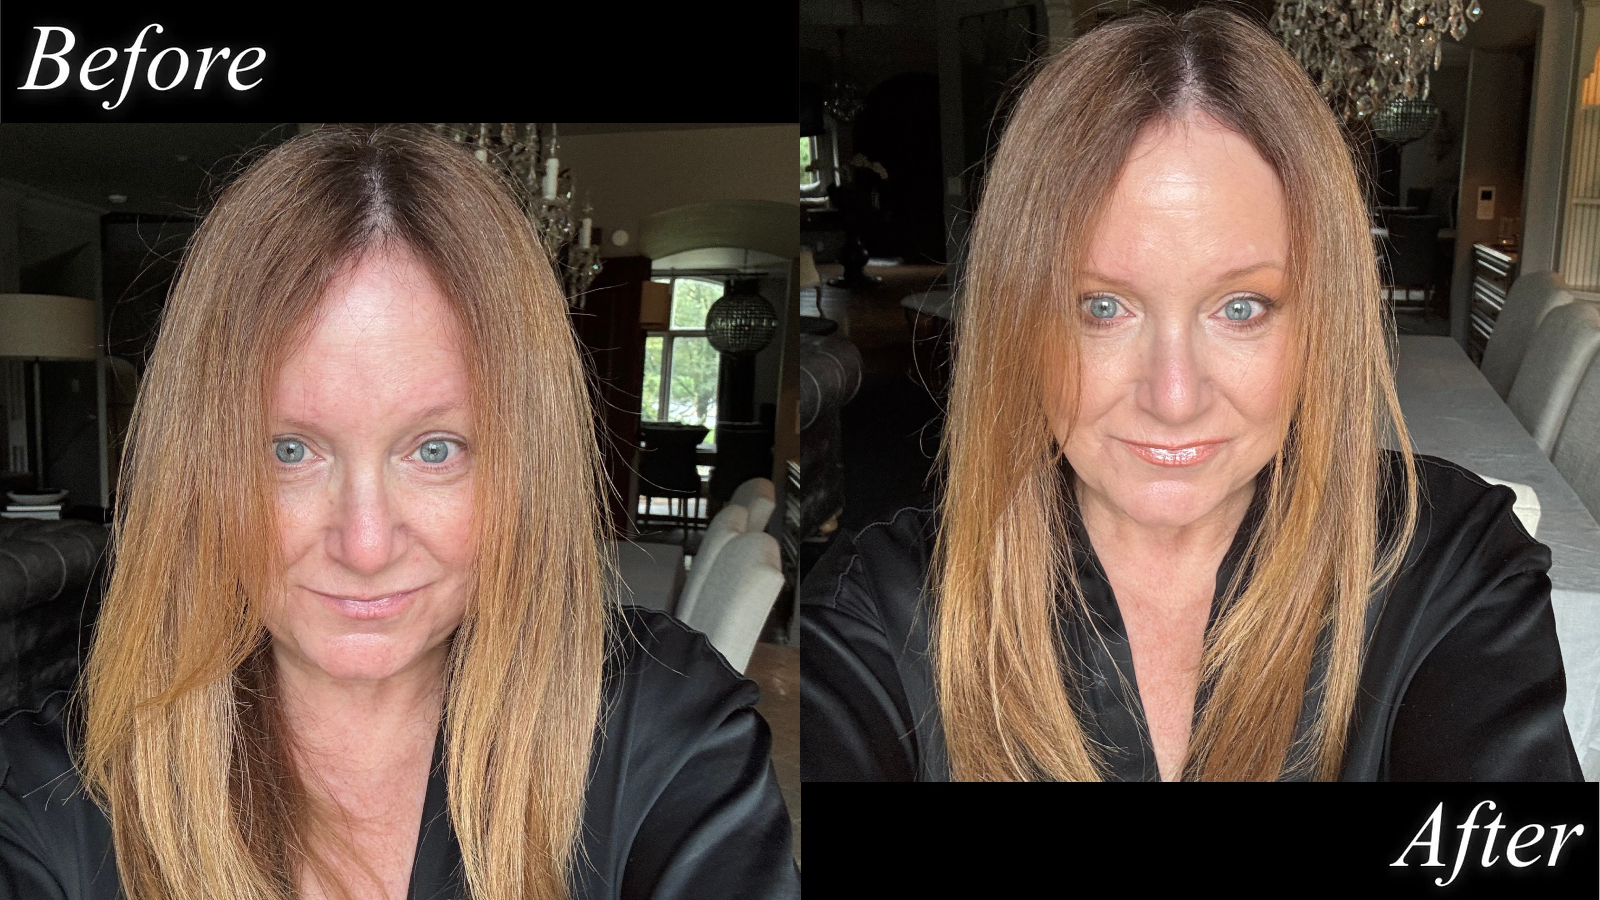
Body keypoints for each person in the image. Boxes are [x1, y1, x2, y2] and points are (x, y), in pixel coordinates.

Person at [0, 126, 800, 898]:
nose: (366, 544)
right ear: (198, 472)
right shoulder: (50, 797)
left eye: (435, 449)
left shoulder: (661, 734)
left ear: (525, 466)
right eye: (288, 451)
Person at [801, 7, 1581, 782]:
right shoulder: (879, 614)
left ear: (1321, 321)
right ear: (1020, 322)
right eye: (1101, 306)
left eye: (1241, 308)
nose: (1174, 398)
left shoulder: (1447, 568)